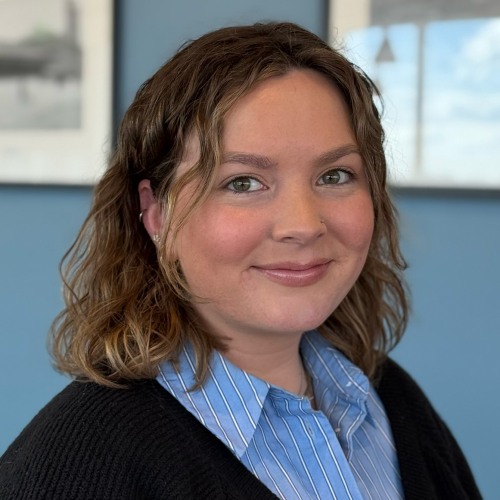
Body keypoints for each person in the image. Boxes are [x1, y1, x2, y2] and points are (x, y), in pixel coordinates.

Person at [0, 22, 481, 500]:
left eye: (335, 175)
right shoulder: (74, 469)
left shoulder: (391, 402)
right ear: (155, 212)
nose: (303, 224)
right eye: (243, 182)